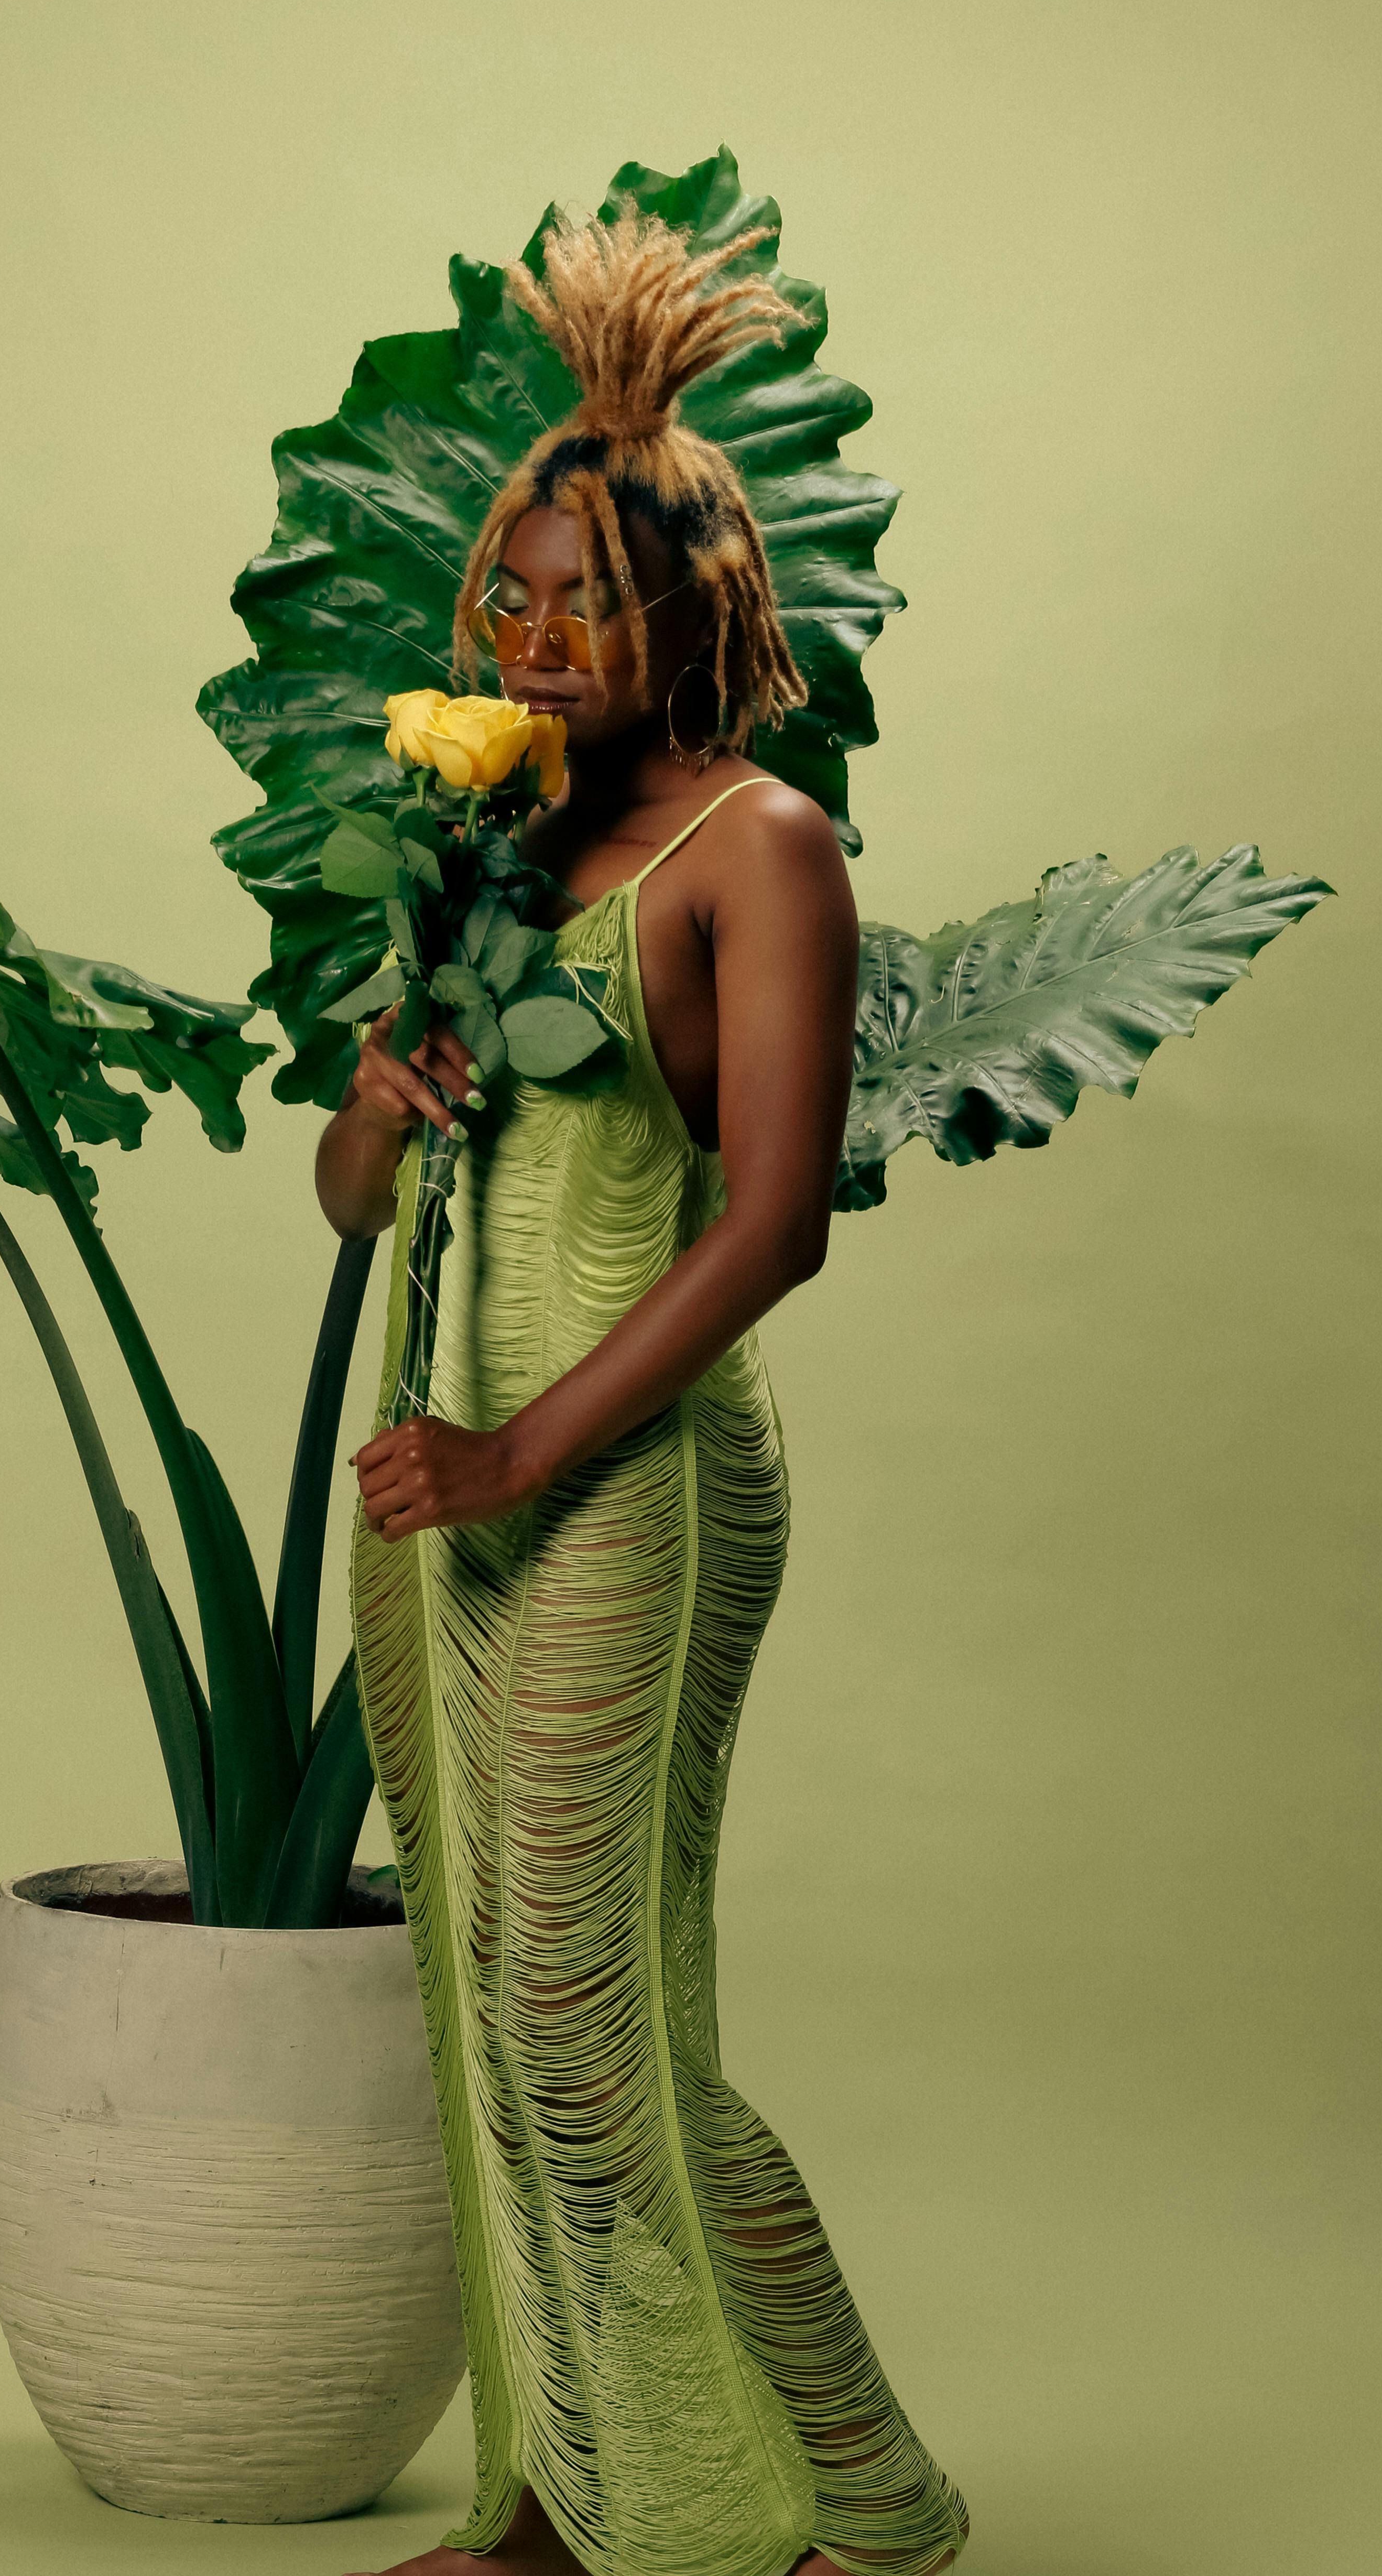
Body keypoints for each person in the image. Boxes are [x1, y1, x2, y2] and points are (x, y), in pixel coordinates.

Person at [317, 206, 966, 2576]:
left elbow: (772, 1220)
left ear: (692, 604)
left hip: (617, 1485)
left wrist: (518, 1450)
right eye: (510, 599)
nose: (536, 638)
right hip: (437, 1495)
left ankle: (867, 2508)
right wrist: (382, 1102)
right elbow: (347, 1204)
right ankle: (554, 2511)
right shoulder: (484, 839)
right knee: (482, 2022)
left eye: (583, 597)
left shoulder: (756, 849)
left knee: (597, 2035)